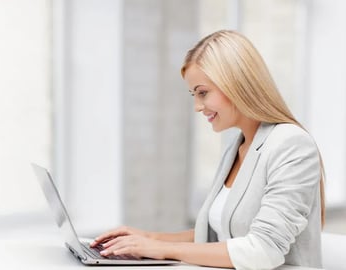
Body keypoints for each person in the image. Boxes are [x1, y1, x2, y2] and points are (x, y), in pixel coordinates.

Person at [90, 30, 325, 270]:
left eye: (203, 93)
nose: (197, 106)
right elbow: (218, 236)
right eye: (194, 94)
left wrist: (161, 250)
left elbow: (262, 251)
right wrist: (148, 239)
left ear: (237, 84)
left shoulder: (291, 144)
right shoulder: (237, 148)